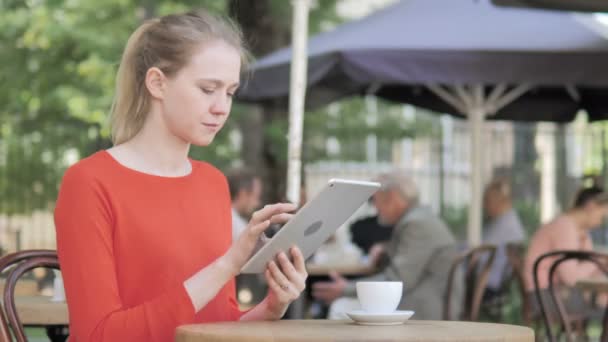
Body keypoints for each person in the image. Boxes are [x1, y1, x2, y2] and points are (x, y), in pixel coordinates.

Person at [54, 11, 307, 342]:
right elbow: (99, 335)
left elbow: (216, 321)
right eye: (207, 89)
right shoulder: (89, 182)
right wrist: (226, 266)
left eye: (229, 92)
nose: (222, 107)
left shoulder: (213, 183)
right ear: (157, 83)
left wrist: (272, 307)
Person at [312, 170, 462, 320]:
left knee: (341, 307)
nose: (375, 208)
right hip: (425, 301)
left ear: (391, 197)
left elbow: (396, 280)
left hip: (424, 308)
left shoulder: (416, 224)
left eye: (374, 200)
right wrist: (386, 249)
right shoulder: (421, 218)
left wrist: (346, 288)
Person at [523, 186, 608, 318]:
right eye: (602, 216)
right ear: (591, 206)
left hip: (557, 293)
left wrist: (598, 263)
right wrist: (599, 261)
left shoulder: (579, 230)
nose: (601, 222)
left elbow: (587, 268)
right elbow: (571, 278)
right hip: (546, 297)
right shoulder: (564, 227)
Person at [482, 178, 526, 293]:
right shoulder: (503, 221)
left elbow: (479, 256)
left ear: (501, 200)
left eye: (487, 201)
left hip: (486, 286)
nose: (484, 206)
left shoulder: (506, 226)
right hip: (487, 282)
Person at [226, 168, 263, 241]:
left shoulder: (217, 216)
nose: (257, 203)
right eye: (256, 197)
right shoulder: (240, 229)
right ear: (243, 194)